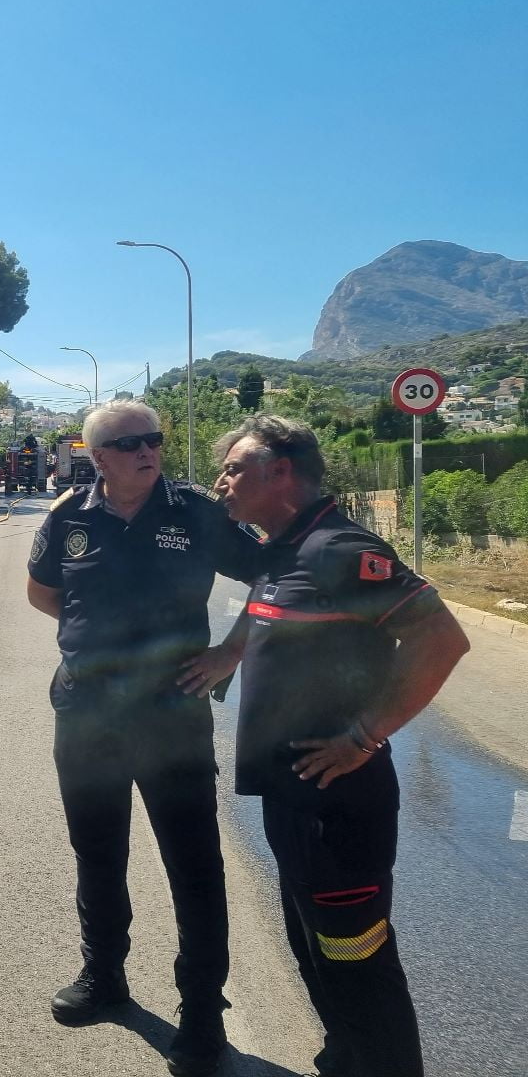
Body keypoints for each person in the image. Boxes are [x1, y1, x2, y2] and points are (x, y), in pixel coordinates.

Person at [212, 415, 469, 1077]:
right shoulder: (283, 546)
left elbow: (442, 640)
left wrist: (364, 735)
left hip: (336, 800)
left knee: (356, 959)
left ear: (281, 472)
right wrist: (229, 654)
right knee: (314, 944)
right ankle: (347, 1059)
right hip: (291, 794)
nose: (222, 481)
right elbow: (265, 606)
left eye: (235, 468)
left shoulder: (338, 548)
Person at [26, 401, 263, 1077]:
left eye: (153, 440)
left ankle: (200, 1015)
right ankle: (104, 978)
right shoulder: (67, 515)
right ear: (97, 456)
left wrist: (230, 653)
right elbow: (44, 593)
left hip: (171, 711)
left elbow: (274, 575)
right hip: (86, 711)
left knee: (192, 865)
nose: (147, 451)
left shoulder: (196, 511)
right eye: (129, 443)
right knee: (97, 853)